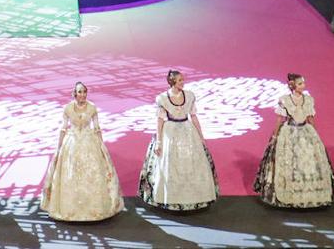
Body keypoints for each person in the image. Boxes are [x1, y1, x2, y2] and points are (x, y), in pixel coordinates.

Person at [40, 82, 123, 222]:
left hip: (89, 142)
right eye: (79, 92)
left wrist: (102, 146)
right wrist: (59, 147)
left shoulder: (92, 108)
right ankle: (70, 209)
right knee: (70, 174)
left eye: (84, 91)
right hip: (71, 144)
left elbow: (97, 128)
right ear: (75, 93)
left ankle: (94, 209)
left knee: (92, 174)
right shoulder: (67, 108)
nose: (82, 94)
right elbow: (64, 128)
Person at [254, 73, 334, 208]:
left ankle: (311, 193)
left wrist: (315, 134)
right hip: (289, 133)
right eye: (300, 84)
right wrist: (275, 136)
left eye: (303, 84)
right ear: (293, 86)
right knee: (288, 161)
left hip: (305, 131)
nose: (303, 86)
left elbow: (310, 118)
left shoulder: (309, 100)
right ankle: (289, 193)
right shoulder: (285, 100)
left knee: (309, 160)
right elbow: (279, 119)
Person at [138, 70, 218, 212]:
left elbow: (193, 117)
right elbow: (160, 121)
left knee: (192, 164)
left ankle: (195, 199)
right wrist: (159, 141)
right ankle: (169, 199)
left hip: (188, 132)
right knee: (170, 164)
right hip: (170, 132)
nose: (183, 82)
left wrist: (201, 136)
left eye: (183, 79)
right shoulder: (162, 98)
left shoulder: (189, 96)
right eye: (180, 80)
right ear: (172, 81)